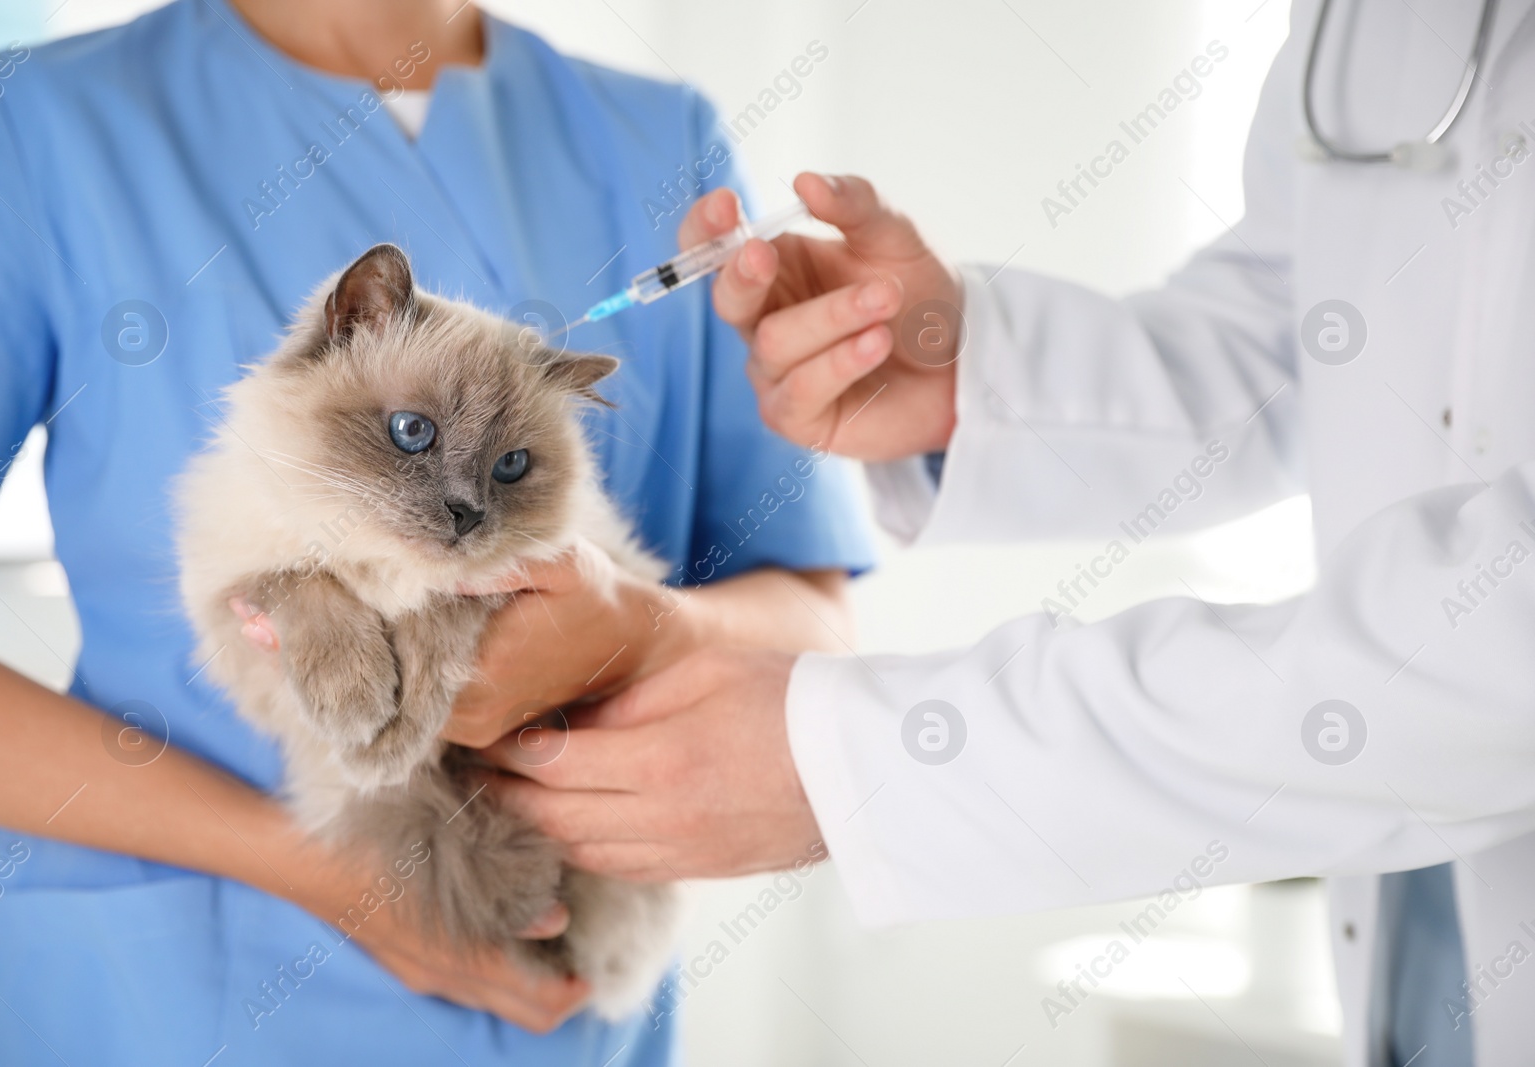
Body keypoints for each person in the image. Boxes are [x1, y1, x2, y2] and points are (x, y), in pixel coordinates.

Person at [486, 3, 1535, 1064]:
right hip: (1416, 945)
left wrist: (861, 758)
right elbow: (1304, 321)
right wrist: (970, 373)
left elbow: (1501, 645)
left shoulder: (650, 128)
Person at [0, 1, 872, 1063]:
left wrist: (636, 631)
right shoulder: (35, 126)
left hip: (566, 999)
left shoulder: (661, 139)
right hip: (150, 1002)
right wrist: (317, 866)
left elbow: (815, 637)